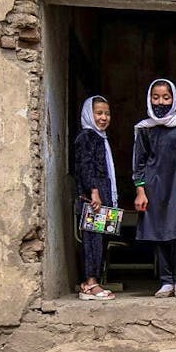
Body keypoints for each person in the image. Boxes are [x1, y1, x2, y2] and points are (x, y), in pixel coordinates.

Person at [133, 78, 176, 298]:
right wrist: (140, 191)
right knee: (158, 233)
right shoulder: (144, 129)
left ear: (173, 99)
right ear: (150, 99)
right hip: (153, 188)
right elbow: (139, 161)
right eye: (156, 97)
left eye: (166, 97)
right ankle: (165, 280)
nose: (161, 101)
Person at [74, 95, 118, 300]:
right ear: (88, 114)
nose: (104, 117)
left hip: (102, 200)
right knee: (92, 241)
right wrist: (94, 192)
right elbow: (85, 166)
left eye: (107, 113)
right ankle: (90, 284)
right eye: (99, 113)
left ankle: (93, 282)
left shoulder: (101, 138)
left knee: (100, 242)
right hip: (93, 201)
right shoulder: (86, 137)